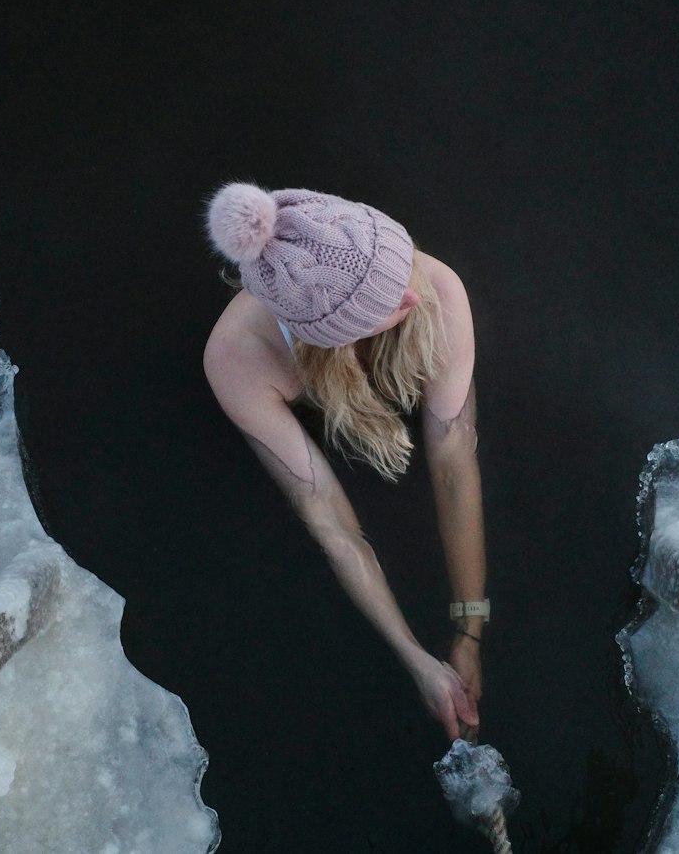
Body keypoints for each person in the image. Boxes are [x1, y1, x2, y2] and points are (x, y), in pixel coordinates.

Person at [202, 182, 487, 742]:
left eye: (399, 270)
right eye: (384, 305)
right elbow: (328, 519)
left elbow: (453, 461)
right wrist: (416, 659)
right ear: (330, 336)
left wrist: (469, 627)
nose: (412, 295)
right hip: (312, 375)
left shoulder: (433, 287)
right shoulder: (237, 359)